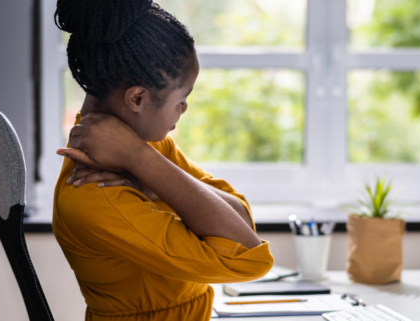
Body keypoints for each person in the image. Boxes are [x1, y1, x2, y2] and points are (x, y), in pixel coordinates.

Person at [51, 1, 274, 320]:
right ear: (137, 98)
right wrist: (140, 160)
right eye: (182, 100)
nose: (183, 110)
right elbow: (249, 258)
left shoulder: (148, 148)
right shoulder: (94, 194)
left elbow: (239, 220)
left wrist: (147, 173)